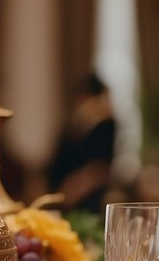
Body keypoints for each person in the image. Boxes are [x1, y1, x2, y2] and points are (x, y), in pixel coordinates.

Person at [48, 73, 116, 211]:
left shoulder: (105, 125)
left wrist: (73, 190)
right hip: (61, 196)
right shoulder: (73, 124)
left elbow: (99, 168)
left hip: (85, 199)